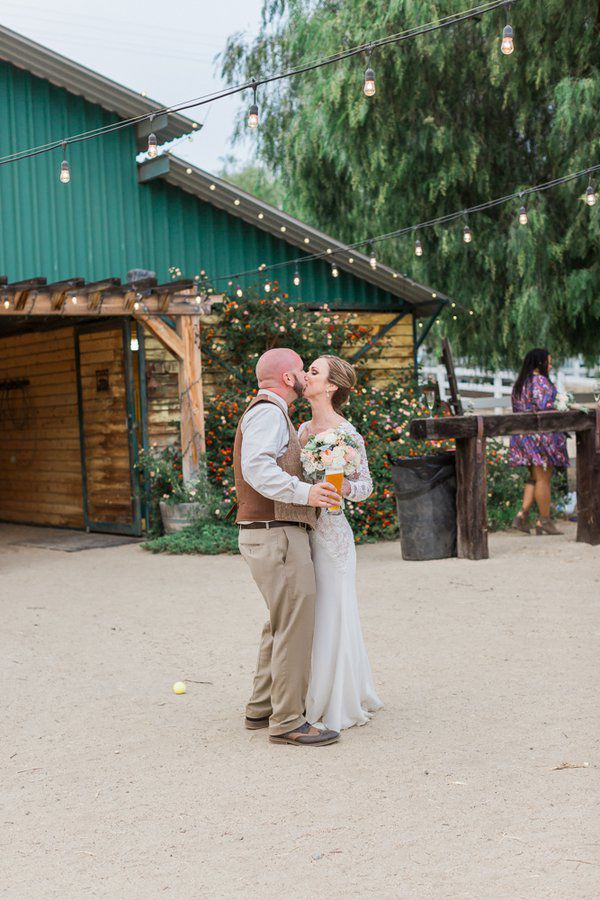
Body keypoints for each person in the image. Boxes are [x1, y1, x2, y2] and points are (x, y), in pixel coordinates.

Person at [233, 347, 342, 747]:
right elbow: (257, 467)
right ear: (287, 378)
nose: (304, 374)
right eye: (300, 369)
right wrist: (306, 492)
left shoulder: (271, 412)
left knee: (281, 621)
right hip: (275, 530)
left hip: (270, 529)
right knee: (296, 623)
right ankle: (288, 721)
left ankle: (261, 707)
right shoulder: (268, 412)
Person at [300, 355, 383, 731]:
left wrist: (345, 487)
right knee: (309, 617)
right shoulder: (300, 429)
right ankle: (304, 693)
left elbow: (366, 487)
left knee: (335, 612)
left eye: (313, 372)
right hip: (300, 534)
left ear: (331, 386)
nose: (305, 376)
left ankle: (338, 698)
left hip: (333, 536)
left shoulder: (347, 434)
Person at [509, 348, 569, 535]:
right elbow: (545, 409)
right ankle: (544, 521)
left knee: (534, 478)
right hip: (540, 438)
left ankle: (521, 516)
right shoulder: (540, 382)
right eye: (548, 362)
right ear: (540, 363)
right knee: (544, 478)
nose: (550, 366)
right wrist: (562, 406)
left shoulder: (521, 383)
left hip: (522, 436)